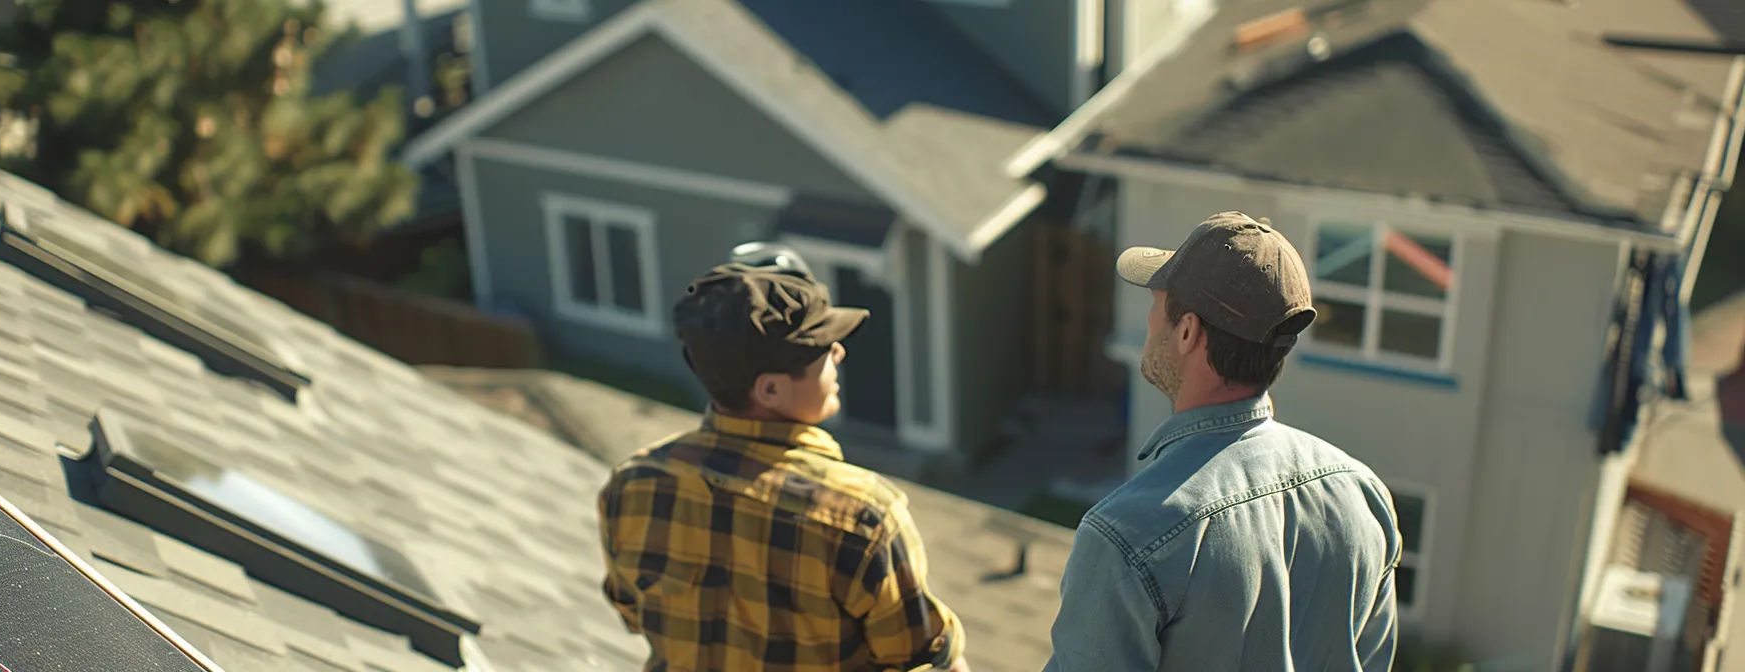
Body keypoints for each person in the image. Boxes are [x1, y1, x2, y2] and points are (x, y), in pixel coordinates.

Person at [1041, 212, 1403, 671]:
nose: (1150, 323)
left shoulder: (1126, 537)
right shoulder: (1362, 494)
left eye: (1157, 303)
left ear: (1188, 332)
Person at [596, 261, 971, 672]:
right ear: (771, 389)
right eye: (823, 350)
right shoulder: (864, 517)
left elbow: (633, 612)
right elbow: (925, 662)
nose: (839, 353)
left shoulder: (633, 486)